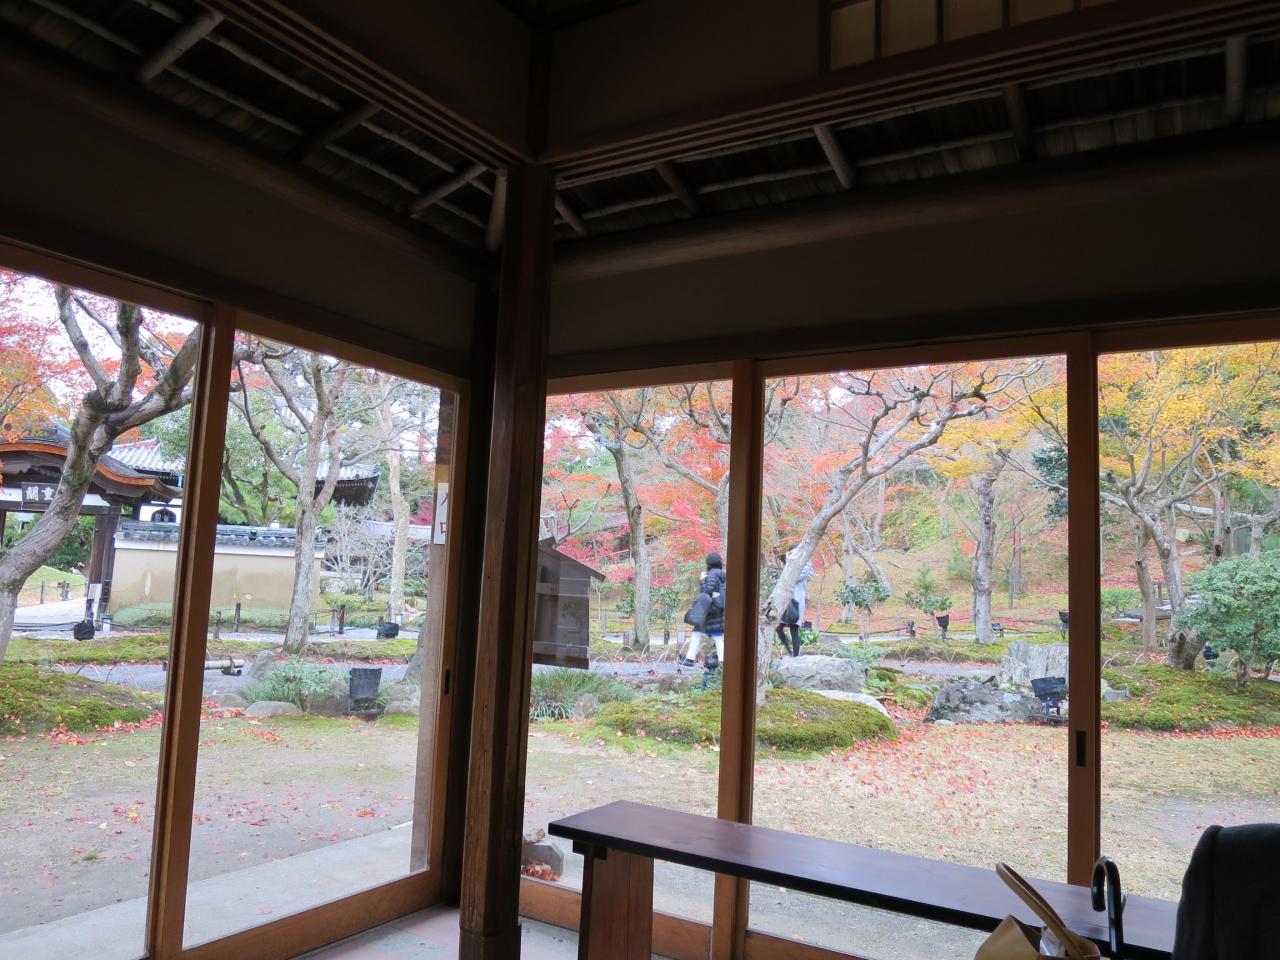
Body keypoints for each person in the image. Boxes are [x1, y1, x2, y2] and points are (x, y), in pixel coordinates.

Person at [681, 552, 725, 669]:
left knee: (699, 633)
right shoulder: (721, 575)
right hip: (717, 610)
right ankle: (722, 662)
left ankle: (690, 660)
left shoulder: (712, 574)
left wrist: (702, 580)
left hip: (710, 611)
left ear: (709, 563)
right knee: (716, 635)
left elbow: (707, 592)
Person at [774, 547, 813, 658]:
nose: (791, 555)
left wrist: (788, 560)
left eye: (793, 553)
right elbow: (785, 578)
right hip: (787, 600)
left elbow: (793, 577)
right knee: (778, 627)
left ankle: (795, 656)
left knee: (794, 629)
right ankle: (790, 652)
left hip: (796, 602)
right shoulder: (792, 565)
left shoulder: (805, 566)